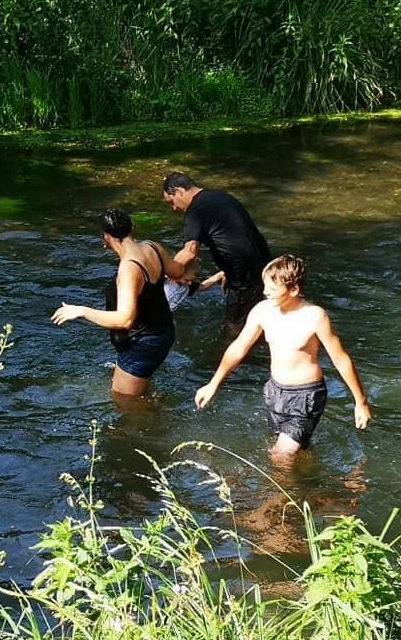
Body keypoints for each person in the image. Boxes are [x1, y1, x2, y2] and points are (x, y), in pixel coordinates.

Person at [194, 254, 371, 456]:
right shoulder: (262, 311)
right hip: (274, 392)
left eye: (272, 289)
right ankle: (308, 476)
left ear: (293, 289)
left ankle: (273, 489)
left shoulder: (314, 316)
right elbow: (239, 347)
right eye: (265, 286)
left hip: (306, 396)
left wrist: (360, 402)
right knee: (291, 449)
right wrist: (213, 383)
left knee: (280, 456)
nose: (265, 292)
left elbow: (340, 359)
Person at [51, 208, 186, 396]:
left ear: (105, 238)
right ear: (132, 227)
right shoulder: (152, 247)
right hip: (164, 332)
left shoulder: (129, 269)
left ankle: (157, 421)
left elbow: (125, 320)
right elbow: (178, 271)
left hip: (142, 343)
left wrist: (81, 311)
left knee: (125, 405)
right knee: (136, 390)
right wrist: (189, 253)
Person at [161, 171, 271, 330]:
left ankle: (237, 351)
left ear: (178, 191)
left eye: (171, 202)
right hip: (264, 264)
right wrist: (224, 271)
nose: (173, 208)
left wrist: (167, 273)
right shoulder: (219, 196)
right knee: (263, 310)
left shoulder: (195, 210)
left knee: (235, 323)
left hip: (242, 274)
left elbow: (190, 251)